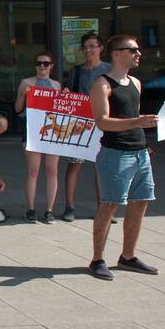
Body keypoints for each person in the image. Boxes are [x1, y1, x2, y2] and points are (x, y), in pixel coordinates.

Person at [87, 35, 159, 280]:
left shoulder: (136, 83)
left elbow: (132, 116)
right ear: (116, 53)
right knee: (109, 205)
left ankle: (128, 256)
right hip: (115, 154)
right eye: (133, 50)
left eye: (138, 50)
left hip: (139, 152)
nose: (139, 53)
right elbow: (102, 122)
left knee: (141, 202)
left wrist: (143, 141)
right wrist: (138, 122)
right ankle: (97, 260)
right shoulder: (102, 84)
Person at [61, 33, 111, 222]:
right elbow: (69, 92)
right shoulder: (76, 71)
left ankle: (103, 208)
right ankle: (69, 207)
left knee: (101, 167)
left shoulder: (109, 70)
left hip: (103, 123)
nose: (88, 50)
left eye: (91, 46)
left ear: (100, 48)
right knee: (74, 165)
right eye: (85, 47)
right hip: (80, 124)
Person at [15, 52, 62, 223]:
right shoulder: (27, 83)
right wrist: (22, 94)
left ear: (51, 65)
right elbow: (18, 109)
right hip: (33, 130)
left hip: (52, 130)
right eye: (39, 63)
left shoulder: (56, 85)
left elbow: (61, 109)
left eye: (45, 63)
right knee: (33, 170)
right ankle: (31, 208)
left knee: (52, 170)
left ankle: (49, 210)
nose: (42, 66)